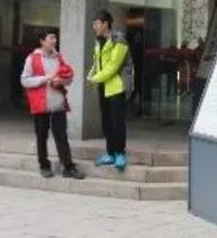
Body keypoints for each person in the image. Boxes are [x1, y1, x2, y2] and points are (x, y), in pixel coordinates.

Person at [19, 30, 84, 180]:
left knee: (61, 135)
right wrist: (46, 78)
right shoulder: (32, 58)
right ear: (42, 41)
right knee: (42, 136)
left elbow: (68, 78)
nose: (54, 40)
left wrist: (63, 81)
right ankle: (44, 166)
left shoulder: (58, 58)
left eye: (55, 38)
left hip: (58, 103)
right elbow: (25, 80)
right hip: (41, 104)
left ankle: (68, 167)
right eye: (51, 38)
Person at [87, 9, 133, 171]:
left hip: (117, 87)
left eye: (97, 24)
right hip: (104, 86)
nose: (94, 26)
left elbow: (113, 66)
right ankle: (110, 153)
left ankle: (120, 154)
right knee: (106, 122)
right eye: (94, 24)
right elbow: (97, 62)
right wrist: (91, 74)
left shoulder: (119, 41)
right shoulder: (99, 41)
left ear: (106, 24)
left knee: (117, 122)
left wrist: (95, 78)